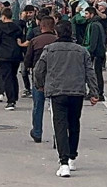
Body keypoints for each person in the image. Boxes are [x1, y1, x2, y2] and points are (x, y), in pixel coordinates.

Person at [34, 20, 99, 178]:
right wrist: (94, 92)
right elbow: (90, 72)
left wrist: (40, 85)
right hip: (76, 91)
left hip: (57, 92)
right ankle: (72, 158)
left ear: (56, 33)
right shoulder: (81, 50)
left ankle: (63, 163)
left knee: (60, 126)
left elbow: (38, 70)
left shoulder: (49, 49)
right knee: (74, 123)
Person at [25, 16, 57, 143]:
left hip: (38, 77)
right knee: (55, 107)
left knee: (38, 105)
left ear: (41, 27)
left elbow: (28, 59)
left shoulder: (35, 41)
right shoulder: (57, 40)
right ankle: (56, 134)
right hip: (55, 77)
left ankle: (37, 132)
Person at [0, 7, 27, 109]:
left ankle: (11, 101)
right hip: (16, 55)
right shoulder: (17, 27)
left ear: (4, 16)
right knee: (13, 76)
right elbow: (22, 41)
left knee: (7, 78)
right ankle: (14, 97)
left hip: (3, 56)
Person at [83, 7, 107, 101]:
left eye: (86, 14)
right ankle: (94, 92)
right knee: (95, 73)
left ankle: (99, 93)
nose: (85, 16)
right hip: (97, 52)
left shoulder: (94, 25)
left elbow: (94, 41)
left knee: (97, 73)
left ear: (92, 14)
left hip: (97, 53)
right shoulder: (93, 24)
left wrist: (90, 52)